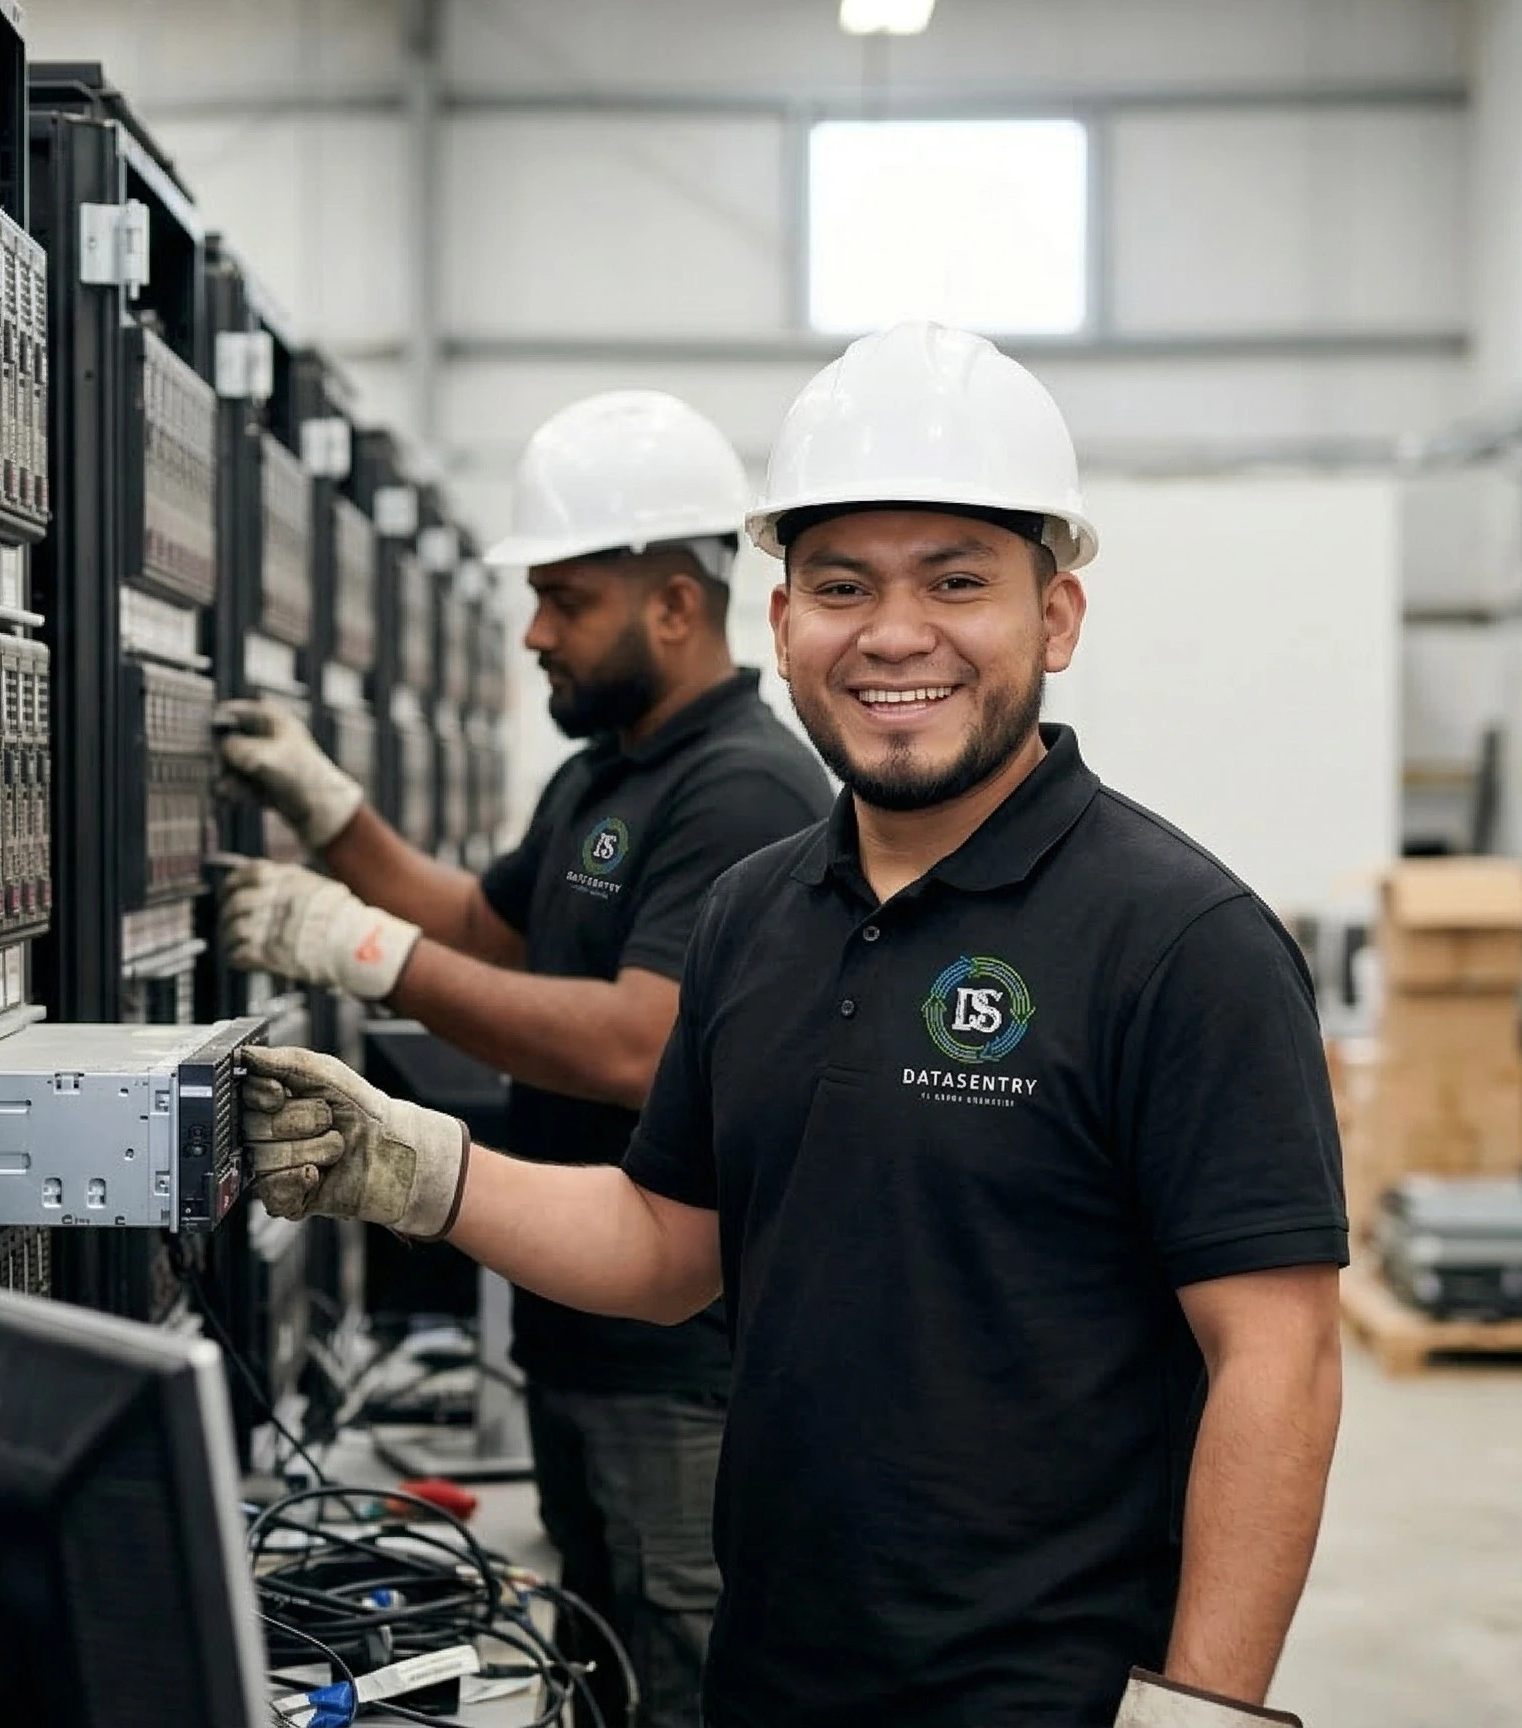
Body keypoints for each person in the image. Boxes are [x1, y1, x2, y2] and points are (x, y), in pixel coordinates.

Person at [233, 323, 1347, 1728]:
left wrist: (1205, 1712)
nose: (894, 633)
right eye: (841, 584)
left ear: (1056, 616)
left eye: (958, 581)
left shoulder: (1182, 941)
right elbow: (664, 1246)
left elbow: (1279, 1355)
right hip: (778, 1671)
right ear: (781, 624)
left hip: (1041, 1698)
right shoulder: (756, 912)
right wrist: (421, 1168)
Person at [215, 389, 832, 1728]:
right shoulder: (610, 774)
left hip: (679, 1367)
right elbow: (491, 926)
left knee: (685, 1675)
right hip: (580, 1342)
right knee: (603, 1665)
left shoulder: (741, 789)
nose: (535, 630)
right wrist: (331, 817)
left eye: (565, 599)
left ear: (674, 603)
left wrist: (361, 956)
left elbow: (637, 1045)